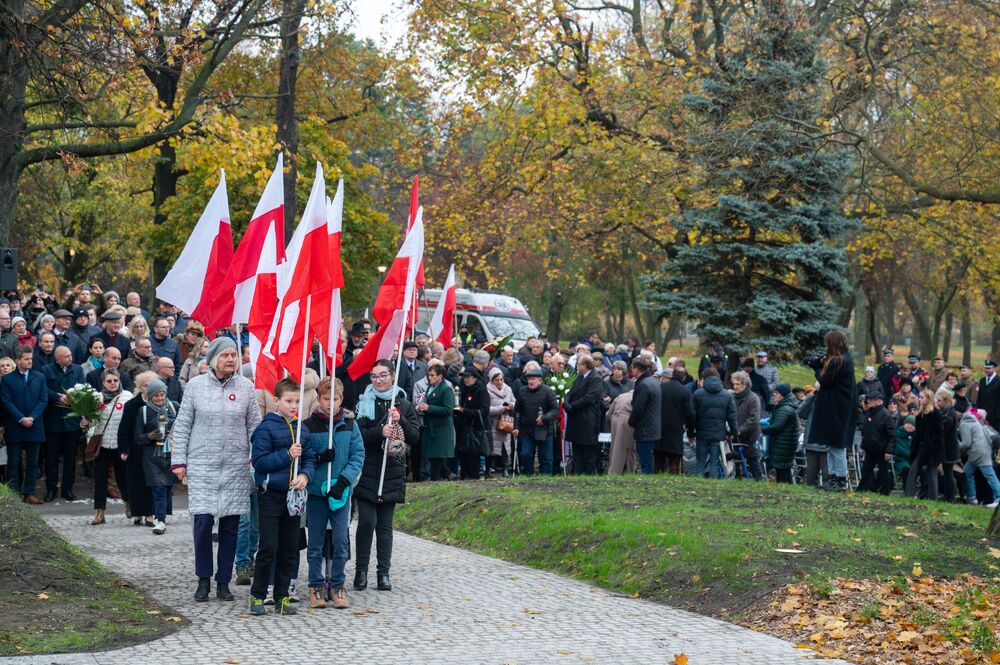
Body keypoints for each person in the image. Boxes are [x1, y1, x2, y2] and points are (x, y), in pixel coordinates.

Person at [170, 337, 261, 602]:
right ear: (213, 359)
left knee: (231, 527)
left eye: (234, 355)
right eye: (225, 355)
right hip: (203, 465)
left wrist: (256, 457)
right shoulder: (196, 387)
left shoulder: (246, 387)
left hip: (235, 466)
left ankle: (223, 581)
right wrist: (179, 460)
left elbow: (254, 427)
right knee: (203, 524)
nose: (231, 359)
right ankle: (203, 579)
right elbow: (184, 424)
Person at [247, 377, 315, 616]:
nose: (294, 405)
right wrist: (287, 454)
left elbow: (309, 458)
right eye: (289, 401)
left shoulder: (301, 428)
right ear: (276, 401)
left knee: (289, 547)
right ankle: (257, 595)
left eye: (297, 401)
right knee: (269, 547)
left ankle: (282, 597)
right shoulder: (266, 428)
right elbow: (260, 462)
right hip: (270, 496)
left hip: (293, 497)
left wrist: (305, 475)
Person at [353, 359, 419, 592]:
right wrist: (379, 432)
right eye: (374, 376)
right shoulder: (363, 403)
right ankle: (361, 571)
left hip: (391, 471)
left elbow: (415, 437)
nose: (378, 380)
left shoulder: (403, 403)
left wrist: (401, 420)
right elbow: (358, 435)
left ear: (392, 376)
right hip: (368, 470)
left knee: (385, 526)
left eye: (383, 375)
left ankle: (383, 573)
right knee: (367, 522)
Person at [302, 378, 365, 609]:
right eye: (326, 399)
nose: (330, 403)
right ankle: (316, 586)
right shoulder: (308, 425)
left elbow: (357, 455)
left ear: (341, 400)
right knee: (316, 543)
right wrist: (319, 458)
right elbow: (304, 456)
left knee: (340, 541)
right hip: (317, 493)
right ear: (319, 399)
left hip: (340, 492)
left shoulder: (349, 424)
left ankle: (337, 585)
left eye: (335, 399)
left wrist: (344, 482)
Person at [806, 330, 857, 492]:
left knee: (836, 445)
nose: (826, 346)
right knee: (832, 444)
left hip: (837, 408)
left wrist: (815, 368)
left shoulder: (840, 361)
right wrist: (821, 363)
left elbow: (825, 380)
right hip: (838, 407)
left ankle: (840, 480)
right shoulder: (844, 359)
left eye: (828, 343)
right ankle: (833, 478)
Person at [129, 377, 179, 534]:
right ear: (150, 396)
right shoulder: (143, 411)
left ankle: (162, 516)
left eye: (162, 395)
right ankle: (160, 521)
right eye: (156, 396)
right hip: (152, 457)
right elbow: (137, 437)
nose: (159, 398)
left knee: (167, 488)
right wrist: (150, 436)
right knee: (158, 489)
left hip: (170, 455)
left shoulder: (173, 407)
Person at [1, 347, 48, 503]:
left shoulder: (39, 376)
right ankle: (13, 496)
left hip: (34, 425)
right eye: (26, 359)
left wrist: (32, 418)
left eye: (31, 358)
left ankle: (29, 493)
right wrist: (21, 418)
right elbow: (6, 401)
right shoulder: (7, 379)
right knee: (13, 463)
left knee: (33, 463)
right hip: (15, 425)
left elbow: (43, 400)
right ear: (18, 360)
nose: (30, 361)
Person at [42, 346, 87, 502]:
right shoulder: (46, 370)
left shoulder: (77, 369)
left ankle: (68, 489)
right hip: (53, 422)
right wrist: (57, 396)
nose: (70, 358)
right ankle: (51, 489)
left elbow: (83, 387)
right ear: (57, 358)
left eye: (70, 355)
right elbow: (43, 389)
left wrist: (72, 396)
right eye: (66, 356)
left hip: (71, 421)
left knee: (70, 459)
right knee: (51, 459)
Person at [88, 369, 132, 525]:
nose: (112, 383)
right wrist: (86, 421)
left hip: (120, 444)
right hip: (103, 443)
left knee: (123, 478)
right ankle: (99, 512)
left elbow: (131, 421)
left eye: (115, 380)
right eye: (109, 381)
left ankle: (128, 504)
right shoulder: (96, 398)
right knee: (100, 479)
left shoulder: (127, 396)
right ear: (103, 382)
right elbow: (92, 422)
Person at [118, 371, 157, 526]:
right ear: (140, 388)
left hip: (154, 449)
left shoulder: (160, 403)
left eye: (152, 385)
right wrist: (124, 449)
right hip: (135, 449)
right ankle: (137, 513)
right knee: (135, 482)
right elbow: (123, 430)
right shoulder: (131, 405)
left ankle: (150, 513)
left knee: (151, 482)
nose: (149, 388)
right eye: (146, 385)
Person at [692, 367, 737, 478]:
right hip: (718, 434)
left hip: (701, 433)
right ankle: (714, 483)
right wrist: (733, 433)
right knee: (715, 461)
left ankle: (698, 481)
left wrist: (691, 432)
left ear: (704, 378)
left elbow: (692, 415)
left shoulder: (697, 394)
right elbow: (732, 417)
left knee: (701, 460)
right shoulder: (727, 395)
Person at [563, 354, 604, 475]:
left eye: (578, 364)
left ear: (585, 366)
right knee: (577, 451)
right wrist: (565, 402)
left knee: (588, 453)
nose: (576, 366)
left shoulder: (596, 379)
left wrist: (571, 406)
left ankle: (588, 476)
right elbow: (570, 393)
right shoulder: (579, 377)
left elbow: (589, 398)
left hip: (587, 421)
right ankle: (577, 474)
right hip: (576, 420)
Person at [512, 366, 558, 475]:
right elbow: (517, 410)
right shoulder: (522, 391)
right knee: (525, 454)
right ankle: (529, 476)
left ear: (540, 380)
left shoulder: (548, 391)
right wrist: (516, 427)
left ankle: (545, 479)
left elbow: (555, 409)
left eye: (533, 379)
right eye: (529, 379)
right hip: (527, 429)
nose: (530, 381)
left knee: (546, 458)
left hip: (545, 429)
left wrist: (544, 418)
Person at [856, 385, 896, 495]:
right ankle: (861, 489)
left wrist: (889, 451)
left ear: (879, 401)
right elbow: (866, 432)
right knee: (866, 471)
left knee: (883, 473)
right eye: (868, 399)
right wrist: (864, 447)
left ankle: (885, 492)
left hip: (881, 449)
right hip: (870, 448)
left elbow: (892, 435)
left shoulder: (886, 415)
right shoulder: (869, 412)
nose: (868, 401)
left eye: (871, 400)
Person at [959, 407, 1000, 508]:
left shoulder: (964, 423)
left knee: (990, 476)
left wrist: (956, 444)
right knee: (967, 472)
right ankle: (971, 498)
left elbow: (966, 443)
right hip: (981, 452)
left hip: (978, 454)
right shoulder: (974, 422)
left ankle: (998, 499)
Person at [904, 390, 942, 500]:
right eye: (919, 397)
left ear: (928, 399)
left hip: (931, 448)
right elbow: (918, 434)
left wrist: (931, 445)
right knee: (913, 470)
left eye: (922, 397)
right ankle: (908, 495)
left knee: (931, 472)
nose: (919, 399)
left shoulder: (935, 413)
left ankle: (932, 497)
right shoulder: (920, 414)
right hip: (921, 448)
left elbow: (939, 434)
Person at [455, 366, 490, 479]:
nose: (465, 379)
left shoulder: (481, 390)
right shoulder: (464, 389)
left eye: (468, 377)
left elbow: (484, 411)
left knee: (473, 455)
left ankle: (474, 478)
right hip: (464, 427)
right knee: (464, 454)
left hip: (475, 428)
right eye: (464, 377)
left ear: (475, 378)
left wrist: (465, 411)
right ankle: (464, 476)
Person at [656, 368, 694, 474]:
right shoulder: (684, 391)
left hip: (659, 429)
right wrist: (690, 433)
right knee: (674, 463)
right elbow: (690, 414)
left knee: (658, 462)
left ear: (672, 375)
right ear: (684, 377)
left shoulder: (661, 388)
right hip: (676, 431)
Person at [627, 356, 661, 474]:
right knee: (648, 459)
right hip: (653, 427)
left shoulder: (643, 384)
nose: (631, 371)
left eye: (632, 368)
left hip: (645, 429)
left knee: (646, 461)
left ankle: (646, 484)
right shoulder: (652, 381)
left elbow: (638, 408)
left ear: (637, 369)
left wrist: (631, 422)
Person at [762, 384, 798, 483]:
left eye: (776, 393)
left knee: (781, 469)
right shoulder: (785, 406)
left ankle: (784, 489)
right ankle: (787, 488)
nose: (774, 394)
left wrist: (762, 429)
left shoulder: (785, 409)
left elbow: (777, 427)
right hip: (785, 443)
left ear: (783, 395)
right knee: (784, 470)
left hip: (783, 443)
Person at [730, 370, 762, 479]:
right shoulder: (733, 397)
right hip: (736, 435)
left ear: (745, 384)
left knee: (753, 460)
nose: (735, 387)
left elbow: (753, 419)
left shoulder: (753, 398)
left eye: (738, 384)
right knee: (736, 460)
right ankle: (738, 479)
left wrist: (739, 430)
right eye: (733, 384)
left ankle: (758, 482)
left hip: (751, 436)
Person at [486, 367, 516, 476]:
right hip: (493, 423)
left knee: (505, 447)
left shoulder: (508, 389)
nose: (499, 382)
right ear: (491, 380)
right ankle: (488, 469)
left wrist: (511, 406)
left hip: (505, 422)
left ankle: (505, 469)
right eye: (496, 380)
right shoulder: (487, 390)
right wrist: (500, 408)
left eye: (501, 379)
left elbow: (514, 401)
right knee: (492, 448)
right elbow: (486, 409)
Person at [936, 391, 959, 502]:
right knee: (947, 473)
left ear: (945, 401)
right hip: (947, 448)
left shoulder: (950, 413)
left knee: (948, 473)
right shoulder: (946, 411)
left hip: (949, 449)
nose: (937, 402)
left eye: (939, 400)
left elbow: (943, 428)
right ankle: (948, 496)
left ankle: (950, 498)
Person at [977, 359, 1000, 431]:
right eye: (985, 368)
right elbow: (979, 397)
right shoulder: (982, 380)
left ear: (994, 368)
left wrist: (998, 416)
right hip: (982, 414)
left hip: (995, 416)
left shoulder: (998, 381)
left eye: (989, 368)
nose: (987, 370)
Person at [894, 415, 915, 485]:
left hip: (914, 461)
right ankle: (907, 490)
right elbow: (898, 449)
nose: (910, 426)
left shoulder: (917, 437)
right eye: (908, 424)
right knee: (906, 468)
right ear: (904, 424)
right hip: (900, 461)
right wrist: (910, 454)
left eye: (912, 425)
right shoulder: (898, 435)